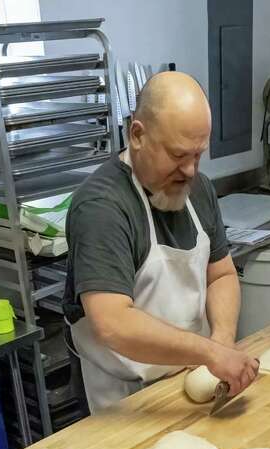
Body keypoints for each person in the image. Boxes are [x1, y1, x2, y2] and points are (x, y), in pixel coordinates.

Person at [62, 71, 258, 412]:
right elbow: (113, 323)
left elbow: (222, 275)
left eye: (199, 155)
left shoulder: (199, 190)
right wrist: (209, 352)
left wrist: (223, 339)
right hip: (124, 400)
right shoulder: (102, 207)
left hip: (192, 381)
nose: (191, 171)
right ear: (137, 135)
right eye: (179, 155)